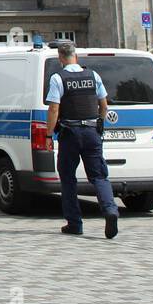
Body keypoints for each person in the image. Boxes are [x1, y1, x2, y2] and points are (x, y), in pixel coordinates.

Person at [45, 41, 119, 238]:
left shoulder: (58, 78)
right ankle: (110, 210)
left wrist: (48, 134)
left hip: (70, 133)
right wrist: (100, 125)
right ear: (75, 56)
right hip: (92, 132)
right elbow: (104, 105)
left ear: (60, 58)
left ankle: (75, 223)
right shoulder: (93, 75)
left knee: (68, 178)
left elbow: (54, 109)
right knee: (99, 176)